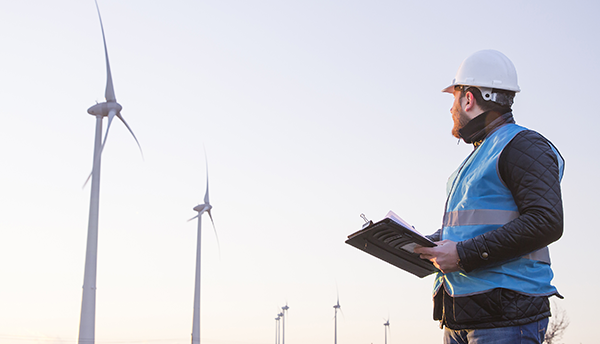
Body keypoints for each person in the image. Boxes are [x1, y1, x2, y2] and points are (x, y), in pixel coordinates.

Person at [413, 50, 564, 344]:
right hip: (462, 316)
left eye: (453, 99)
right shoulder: (479, 157)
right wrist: (429, 243)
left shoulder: (522, 145)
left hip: (505, 319)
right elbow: (476, 227)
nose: (451, 109)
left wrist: (461, 254)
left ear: (468, 99)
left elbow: (546, 222)